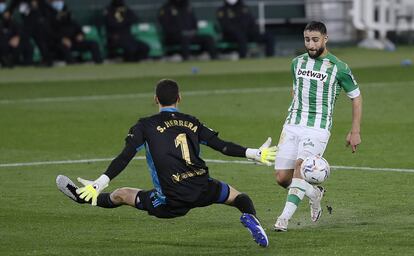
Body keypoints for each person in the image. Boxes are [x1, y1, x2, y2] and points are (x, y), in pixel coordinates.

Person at [56, 79, 277, 247]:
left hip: (171, 199)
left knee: (122, 194)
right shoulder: (192, 122)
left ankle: (83, 198)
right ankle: (250, 217)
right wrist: (254, 153)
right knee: (239, 197)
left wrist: (101, 182)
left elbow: (125, 156)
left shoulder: (145, 125)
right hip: (202, 187)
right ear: (179, 98)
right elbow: (222, 146)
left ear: (155, 99)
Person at [273, 21, 362, 231]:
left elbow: (356, 97)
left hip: (318, 128)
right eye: (307, 40)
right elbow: (296, 90)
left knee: (299, 168)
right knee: (282, 178)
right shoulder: (296, 63)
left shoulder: (339, 67)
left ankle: (283, 219)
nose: (311, 45)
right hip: (293, 124)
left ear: (325, 39)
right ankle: (314, 193)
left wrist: (355, 130)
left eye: (315, 40)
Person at [49, 0, 102, 64]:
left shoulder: (70, 19)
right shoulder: (50, 18)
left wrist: (80, 35)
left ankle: (99, 62)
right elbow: (51, 33)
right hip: (59, 43)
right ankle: (72, 64)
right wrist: (62, 39)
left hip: (74, 42)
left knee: (93, 43)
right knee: (63, 46)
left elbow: (79, 30)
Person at [4, 0, 53, 66]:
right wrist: (9, 11)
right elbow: (13, 4)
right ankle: (12, 60)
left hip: (36, 22)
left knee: (38, 41)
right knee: (25, 41)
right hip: (27, 22)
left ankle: (48, 60)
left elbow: (45, 8)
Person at [0, 0, 32, 67]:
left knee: (24, 45)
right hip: (4, 40)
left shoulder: (15, 21)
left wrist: (17, 37)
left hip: (15, 37)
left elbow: (18, 31)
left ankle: (16, 61)